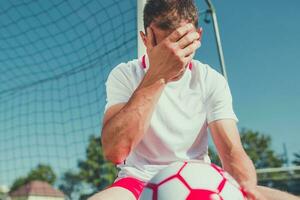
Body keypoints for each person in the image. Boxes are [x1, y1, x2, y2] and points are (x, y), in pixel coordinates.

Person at [89, 0, 300, 199]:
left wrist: (246, 186)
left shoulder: (210, 79)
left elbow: (231, 150)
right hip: (138, 182)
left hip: (200, 179)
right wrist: (158, 75)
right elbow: (115, 151)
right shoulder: (125, 74)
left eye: (184, 45)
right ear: (146, 40)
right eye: (166, 50)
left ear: (197, 37)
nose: (176, 58)